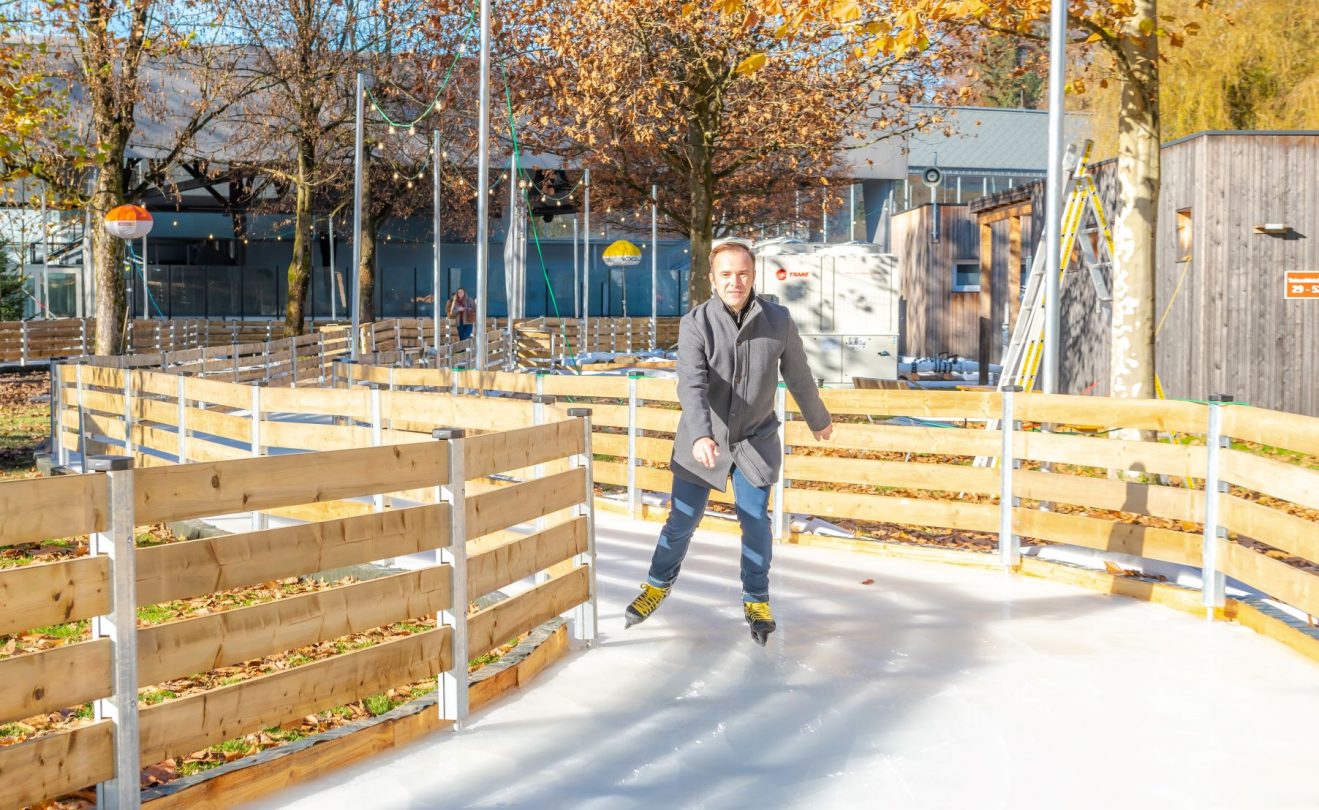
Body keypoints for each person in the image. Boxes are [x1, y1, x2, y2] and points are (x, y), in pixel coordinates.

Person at [625, 240, 833, 645]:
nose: (734, 281)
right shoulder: (695, 323)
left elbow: (799, 375)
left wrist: (818, 418)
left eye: (742, 273)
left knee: (755, 522)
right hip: (703, 441)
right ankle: (656, 584)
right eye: (726, 274)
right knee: (682, 520)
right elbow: (691, 384)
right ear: (712, 279)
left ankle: (757, 596)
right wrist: (701, 433)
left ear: (753, 276)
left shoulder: (778, 320)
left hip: (755, 439)